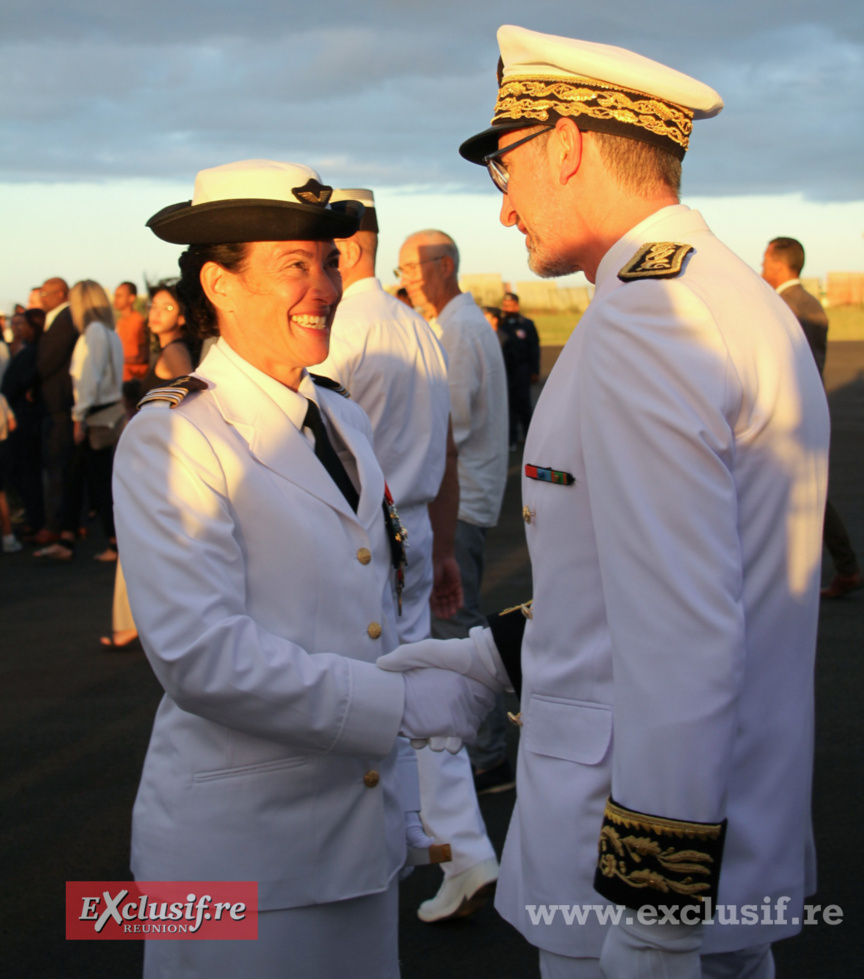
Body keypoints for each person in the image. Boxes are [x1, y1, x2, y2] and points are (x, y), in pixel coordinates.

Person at [380, 26, 830, 979]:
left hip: (632, 870)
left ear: (569, 144)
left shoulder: (650, 316)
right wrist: (497, 655)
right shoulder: (726, 295)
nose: (504, 211)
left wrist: (655, 919)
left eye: (505, 168)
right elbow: (662, 580)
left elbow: (684, 634)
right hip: (730, 835)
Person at [112, 159, 493, 979]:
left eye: (327, 262)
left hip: (355, 846)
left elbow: (371, 605)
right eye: (294, 265)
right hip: (238, 858)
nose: (322, 286)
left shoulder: (342, 415)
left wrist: (463, 666)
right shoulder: (176, 434)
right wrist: (398, 702)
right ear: (220, 283)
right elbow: (199, 656)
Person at [398, 228, 509, 920]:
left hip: (460, 496)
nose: (405, 279)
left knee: (456, 622)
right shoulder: (454, 323)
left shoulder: (459, 330)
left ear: (442, 267)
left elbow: (457, 417)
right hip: (466, 490)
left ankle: (490, 749)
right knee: (456, 620)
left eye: (411, 268)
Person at [101, 280, 199, 650]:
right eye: (154, 306)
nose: (156, 313)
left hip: (161, 461)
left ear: (184, 316)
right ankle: (137, 622)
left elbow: (189, 401)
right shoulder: (170, 349)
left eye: (166, 307)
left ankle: (135, 623)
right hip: (154, 458)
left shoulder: (176, 353)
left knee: (142, 538)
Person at [762, 236, 861, 599]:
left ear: (778, 262)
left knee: (790, 493)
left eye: (764, 260)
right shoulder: (810, 303)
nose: (761, 268)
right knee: (808, 492)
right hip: (808, 410)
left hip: (788, 415)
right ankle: (846, 567)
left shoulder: (784, 307)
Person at [36, 280, 124, 562]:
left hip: (94, 417)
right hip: (105, 413)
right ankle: (69, 538)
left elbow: (89, 379)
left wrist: (78, 418)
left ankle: (112, 542)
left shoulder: (94, 333)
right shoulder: (109, 332)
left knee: (96, 481)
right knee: (80, 479)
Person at [34, 277, 78, 545]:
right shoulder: (62, 319)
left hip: (59, 405)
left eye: (46, 293)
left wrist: (22, 383)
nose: (42, 299)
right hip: (57, 404)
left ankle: (59, 525)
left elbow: (46, 362)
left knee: (58, 467)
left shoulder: (64, 319)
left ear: (61, 293)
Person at [2, 309, 45, 538]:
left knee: (27, 470)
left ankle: (34, 519)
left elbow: (19, 383)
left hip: (23, 418)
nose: (18, 328)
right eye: (15, 324)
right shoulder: (13, 350)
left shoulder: (30, 352)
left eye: (22, 324)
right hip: (15, 415)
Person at [498, 291, 540, 449]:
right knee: (508, 405)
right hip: (506, 370)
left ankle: (530, 439)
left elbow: (534, 348)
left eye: (510, 305)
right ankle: (512, 439)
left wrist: (535, 370)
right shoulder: (499, 324)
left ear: (517, 306)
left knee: (524, 404)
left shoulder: (527, 324)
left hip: (522, 368)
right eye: (504, 305)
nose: (506, 308)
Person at [113, 281, 149, 382]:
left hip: (135, 381)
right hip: (121, 379)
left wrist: (117, 359)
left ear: (131, 298)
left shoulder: (138, 322)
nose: (116, 299)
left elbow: (143, 357)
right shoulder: (119, 322)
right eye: (115, 295)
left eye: (119, 296)